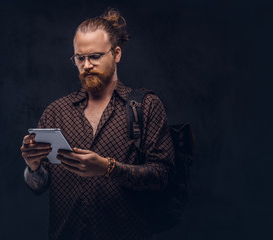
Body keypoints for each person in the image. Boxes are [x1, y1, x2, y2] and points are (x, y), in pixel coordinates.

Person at [20, 8, 175, 240]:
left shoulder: (146, 106)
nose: (86, 65)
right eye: (79, 58)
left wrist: (107, 168)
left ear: (117, 53)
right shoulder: (56, 112)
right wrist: (33, 166)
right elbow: (39, 186)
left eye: (95, 56)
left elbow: (163, 176)